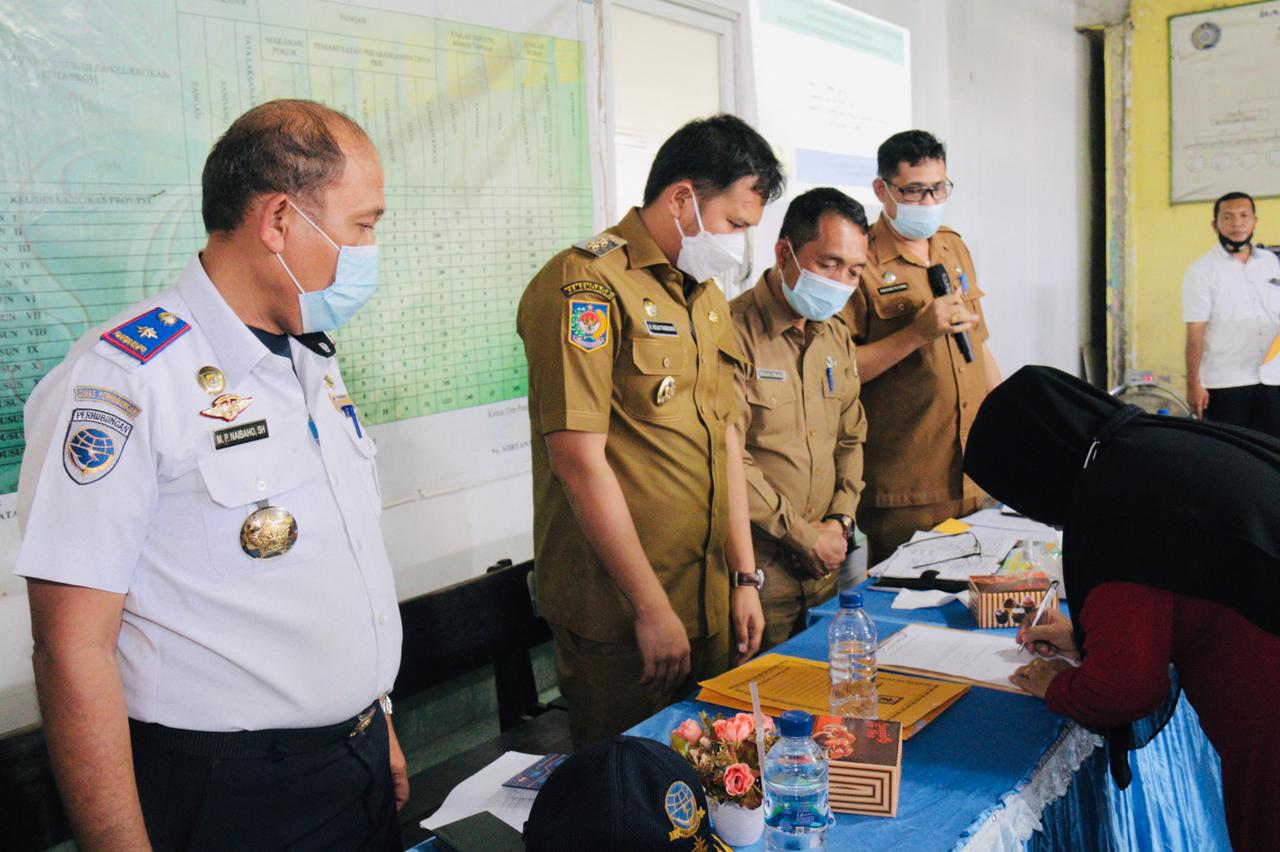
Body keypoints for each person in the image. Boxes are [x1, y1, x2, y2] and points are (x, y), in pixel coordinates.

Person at [16, 100, 405, 850]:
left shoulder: (307, 356)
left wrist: (372, 714)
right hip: (231, 794)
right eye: (362, 225)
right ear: (280, 222)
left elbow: (338, 561)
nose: (369, 248)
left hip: (353, 762)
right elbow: (71, 649)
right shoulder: (123, 382)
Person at [517, 114, 780, 748]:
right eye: (735, 224)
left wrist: (745, 579)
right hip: (624, 617)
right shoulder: (584, 284)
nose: (740, 245)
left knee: (713, 790)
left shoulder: (704, 295)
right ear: (683, 198)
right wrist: (650, 608)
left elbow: (726, 440)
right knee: (629, 802)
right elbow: (578, 460)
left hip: (710, 601)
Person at [963, 365, 1280, 851]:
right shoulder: (1151, 446)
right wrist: (1087, 635)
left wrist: (1058, 685)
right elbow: (1185, 583)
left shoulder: (1115, 503)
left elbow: (1126, 689)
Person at [837, 130, 1001, 565]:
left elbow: (979, 345)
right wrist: (915, 333)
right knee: (908, 613)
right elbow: (835, 372)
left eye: (939, 188)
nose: (928, 202)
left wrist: (1007, 423)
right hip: (906, 485)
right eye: (914, 191)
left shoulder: (952, 245)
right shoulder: (860, 260)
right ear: (882, 190)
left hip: (972, 471)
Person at [729, 187, 868, 651]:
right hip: (758, 577)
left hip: (827, 571)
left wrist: (840, 523)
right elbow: (732, 458)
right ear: (783, 252)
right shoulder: (732, 332)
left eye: (853, 271)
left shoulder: (836, 335)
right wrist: (803, 536)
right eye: (827, 264)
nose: (840, 281)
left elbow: (850, 440)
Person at [1182, 191, 1280, 436]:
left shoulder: (1271, 262)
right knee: (1231, 456)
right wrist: (1194, 383)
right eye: (1228, 217)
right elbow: (1195, 331)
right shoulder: (1201, 271)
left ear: (1255, 221)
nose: (1237, 223)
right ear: (1215, 225)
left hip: (1273, 378)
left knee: (1272, 453)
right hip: (1226, 381)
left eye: (1244, 215)